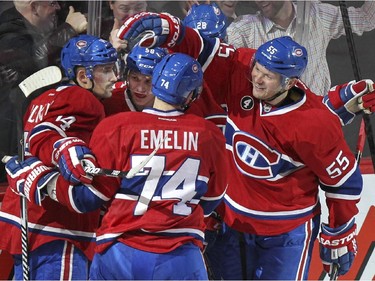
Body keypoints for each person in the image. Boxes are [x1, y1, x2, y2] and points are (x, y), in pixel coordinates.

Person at [116, 12, 375, 279]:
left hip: (285, 232)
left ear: (290, 82)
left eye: (267, 76)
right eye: (257, 70)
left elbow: (343, 181)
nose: (257, 79)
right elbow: (207, 52)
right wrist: (175, 32)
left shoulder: (315, 124)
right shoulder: (241, 71)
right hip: (231, 223)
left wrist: (339, 231)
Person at [6, 52, 229, 280]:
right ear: (191, 94)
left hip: (121, 252)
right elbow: (211, 200)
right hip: (181, 256)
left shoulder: (117, 125)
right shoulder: (208, 134)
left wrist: (42, 181)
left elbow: (87, 198)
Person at [0, 34, 118, 280]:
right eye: (106, 70)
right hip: (58, 227)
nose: (114, 78)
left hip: (25, 218)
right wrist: (66, 149)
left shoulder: (43, 98)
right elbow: (45, 136)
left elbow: (34, 141)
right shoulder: (83, 99)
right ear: (83, 75)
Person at [0, 0, 87, 184]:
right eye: (53, 3)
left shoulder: (39, 28)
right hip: (11, 132)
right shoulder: (7, 32)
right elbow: (35, 58)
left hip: (33, 123)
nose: (58, 8)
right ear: (34, 7)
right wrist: (69, 29)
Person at [226, 0, 375, 96]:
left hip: (317, 120)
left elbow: (366, 19)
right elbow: (224, 75)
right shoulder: (243, 30)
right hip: (269, 128)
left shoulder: (318, 14)